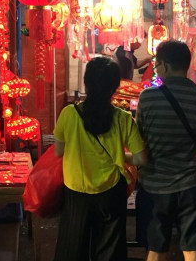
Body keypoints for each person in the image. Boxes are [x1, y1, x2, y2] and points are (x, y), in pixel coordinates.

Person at [53, 56, 147, 261]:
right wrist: (120, 156)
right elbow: (141, 159)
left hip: (75, 191)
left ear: (86, 82)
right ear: (115, 86)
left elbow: (58, 152)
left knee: (72, 247)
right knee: (109, 251)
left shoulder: (68, 114)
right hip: (111, 192)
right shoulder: (123, 118)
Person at [137, 41, 196, 261]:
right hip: (193, 184)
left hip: (155, 185)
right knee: (194, 249)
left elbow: (140, 139)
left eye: (156, 64)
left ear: (163, 65)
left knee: (155, 249)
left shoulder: (147, 98)